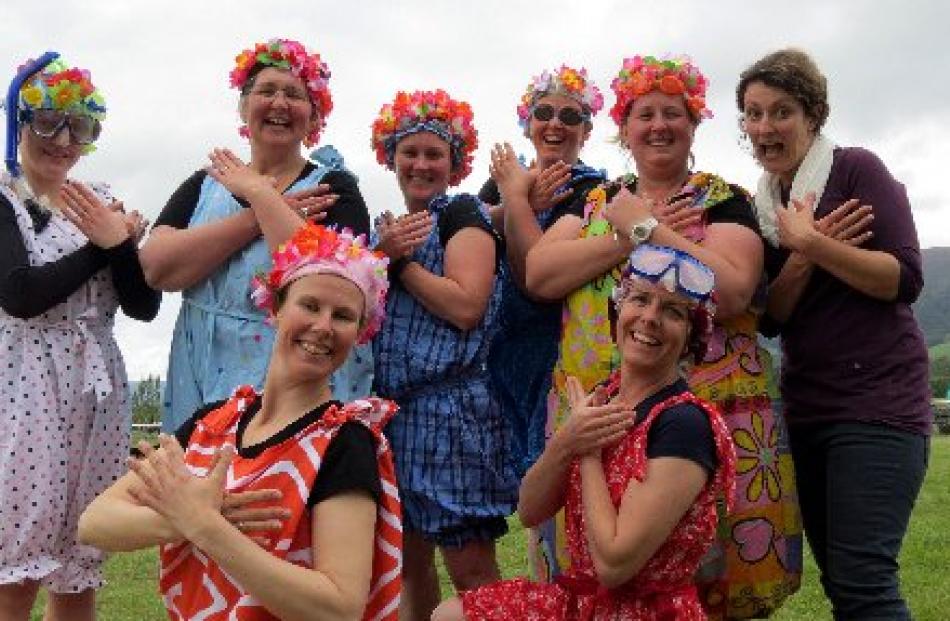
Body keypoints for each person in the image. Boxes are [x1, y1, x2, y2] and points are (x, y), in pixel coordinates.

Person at [525, 54, 801, 618]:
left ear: (694, 124)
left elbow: (732, 290)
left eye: (673, 113)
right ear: (623, 129)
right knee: (597, 575)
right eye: (644, 114)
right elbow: (540, 274)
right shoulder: (597, 201)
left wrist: (649, 228)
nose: (658, 125)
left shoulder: (721, 198)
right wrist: (628, 236)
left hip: (701, 418)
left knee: (704, 582)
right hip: (601, 412)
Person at [79, 223, 401, 620]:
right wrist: (181, 519)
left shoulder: (344, 442)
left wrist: (204, 525)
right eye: (311, 305)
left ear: (360, 332)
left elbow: (339, 607)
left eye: (344, 316)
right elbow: (95, 522)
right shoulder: (210, 423)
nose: (323, 327)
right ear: (277, 308)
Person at [432, 244, 737, 620]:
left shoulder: (684, 424)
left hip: (644, 612)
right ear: (617, 312)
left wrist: (589, 452)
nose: (650, 318)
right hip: (584, 602)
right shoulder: (604, 399)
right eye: (639, 300)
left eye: (672, 311)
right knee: (450, 615)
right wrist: (567, 440)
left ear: (692, 337)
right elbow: (530, 510)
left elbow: (614, 565)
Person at [737, 48, 931, 620]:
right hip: (808, 408)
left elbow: (904, 278)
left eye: (782, 111)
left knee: (865, 582)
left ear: (814, 115)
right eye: (753, 114)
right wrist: (804, 252)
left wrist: (815, 242)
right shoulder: (763, 208)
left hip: (878, 405)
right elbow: (771, 315)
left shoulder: (856, 171)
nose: (766, 128)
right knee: (842, 585)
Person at [140, 38, 372, 433]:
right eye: (266, 91)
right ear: (244, 108)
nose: (279, 103)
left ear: (314, 118)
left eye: (294, 95)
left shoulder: (334, 188)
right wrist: (254, 214)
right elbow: (158, 268)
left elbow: (330, 279)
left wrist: (261, 193)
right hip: (196, 367)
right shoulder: (205, 183)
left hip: (288, 367)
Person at [0, 53, 160, 620]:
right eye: (48, 122)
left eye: (80, 127)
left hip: (97, 386)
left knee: (80, 556)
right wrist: (103, 245)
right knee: (16, 557)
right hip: (24, 384)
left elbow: (142, 304)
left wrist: (120, 246)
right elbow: (19, 294)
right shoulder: (4, 199)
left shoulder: (98, 201)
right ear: (20, 123)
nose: (63, 140)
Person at [369, 89, 517, 620]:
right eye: (409, 152)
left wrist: (399, 265)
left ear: (456, 162)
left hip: (451, 413)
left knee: (471, 568)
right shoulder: (387, 228)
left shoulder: (462, 213)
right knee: (406, 564)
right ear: (390, 157)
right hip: (397, 416)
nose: (421, 164)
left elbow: (466, 305)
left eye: (435, 153)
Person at [481, 65, 607, 482]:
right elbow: (469, 236)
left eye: (570, 117)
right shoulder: (501, 181)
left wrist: (517, 201)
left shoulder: (591, 191)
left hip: (558, 354)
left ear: (586, 131)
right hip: (500, 355)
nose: (555, 123)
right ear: (528, 123)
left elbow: (535, 276)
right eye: (544, 113)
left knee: (554, 483)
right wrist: (513, 199)